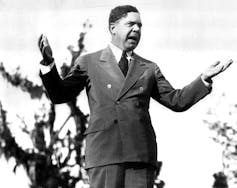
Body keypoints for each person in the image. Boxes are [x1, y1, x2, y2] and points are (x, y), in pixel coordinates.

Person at [38, 5, 233, 188]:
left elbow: (176, 100)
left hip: (140, 155)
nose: (137, 30)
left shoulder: (148, 68)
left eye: (140, 26)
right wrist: (48, 63)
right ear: (113, 28)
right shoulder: (89, 62)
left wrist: (203, 80)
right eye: (131, 24)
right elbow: (60, 94)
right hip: (104, 154)